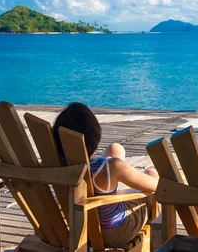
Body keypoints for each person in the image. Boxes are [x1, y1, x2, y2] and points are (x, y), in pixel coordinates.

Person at [52, 102, 159, 248]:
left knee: (115, 148)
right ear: (95, 137)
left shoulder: (55, 167)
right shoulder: (112, 167)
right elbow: (157, 187)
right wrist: (148, 176)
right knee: (151, 174)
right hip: (114, 232)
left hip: (75, 227)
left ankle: (114, 185)